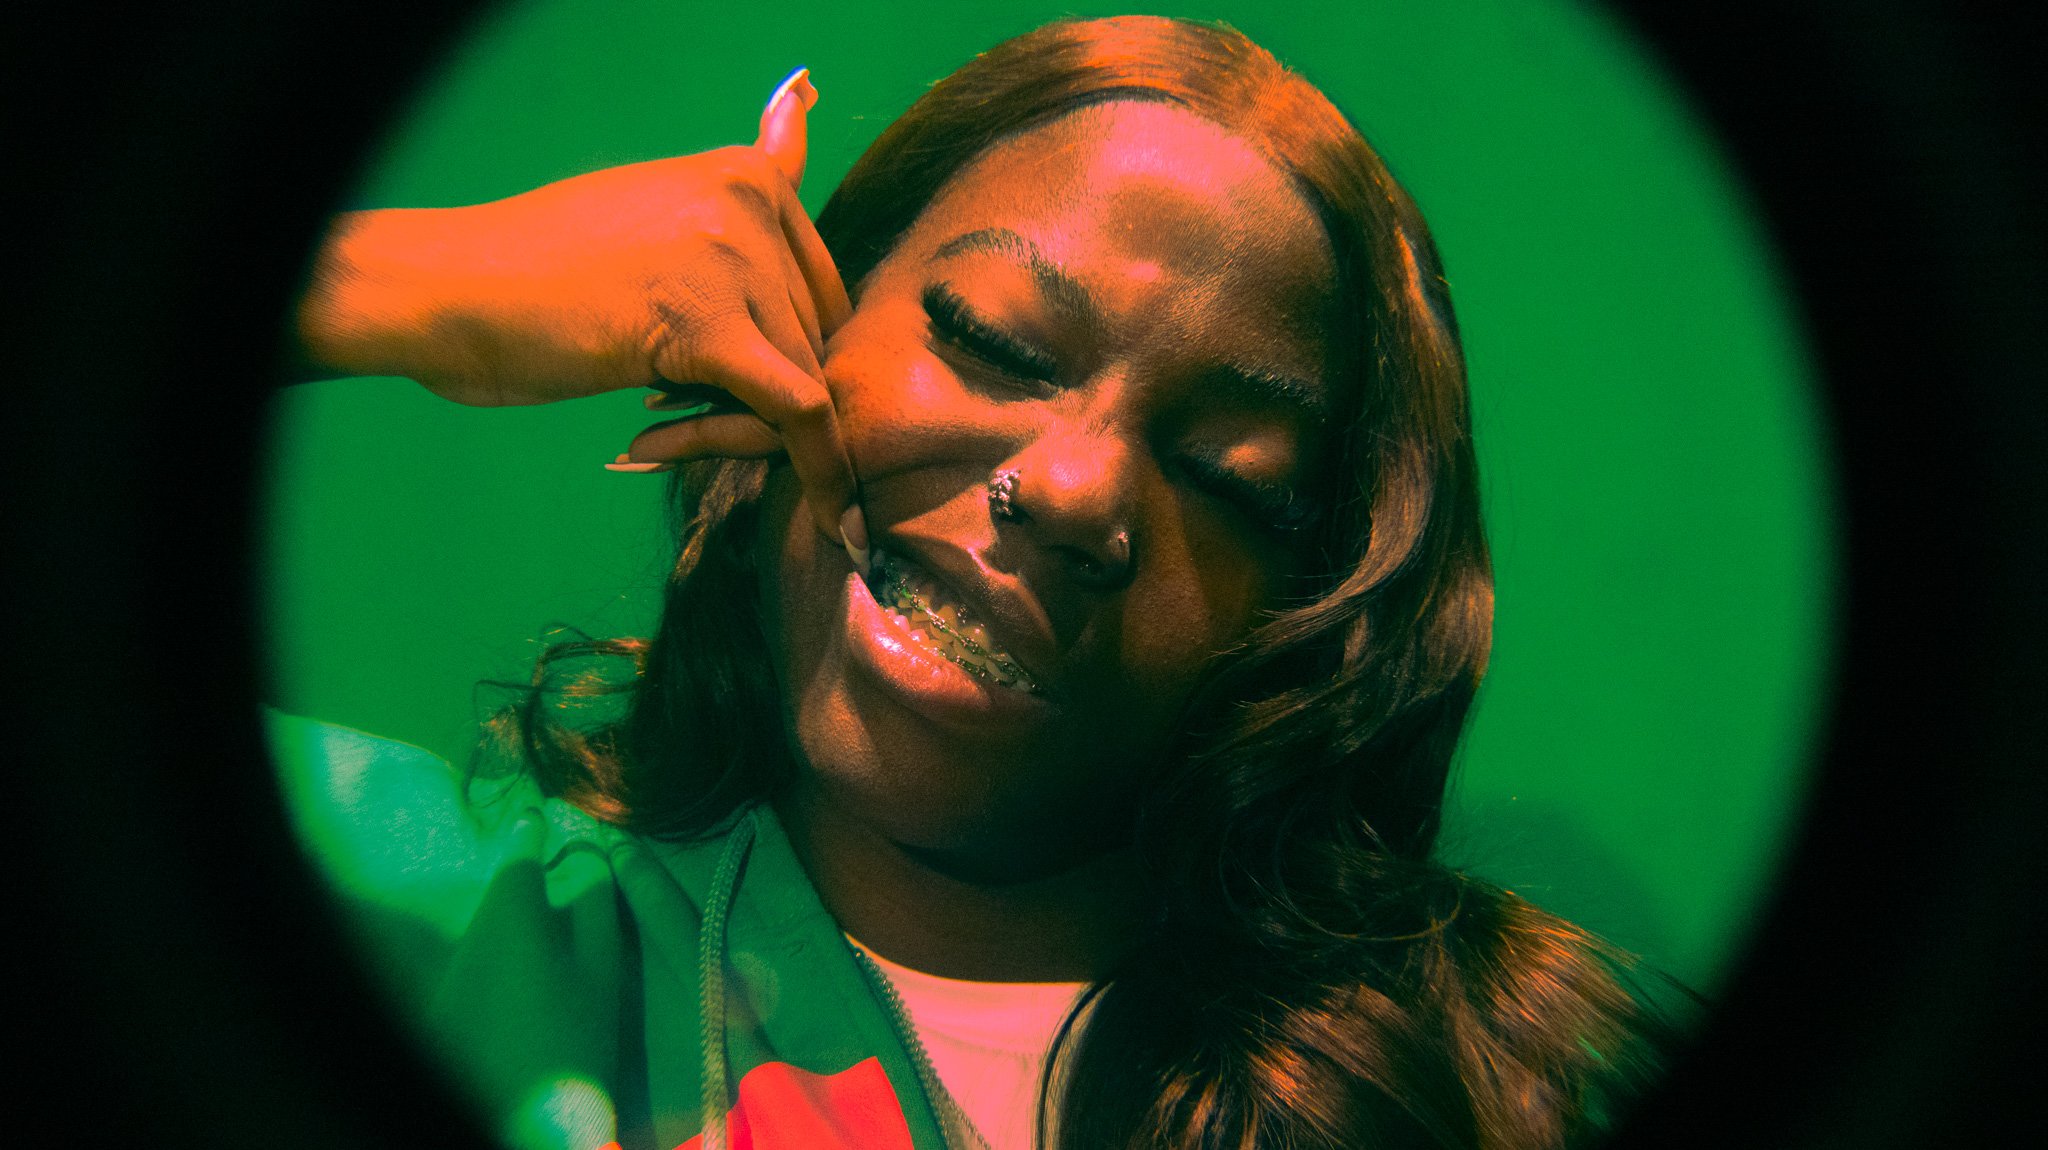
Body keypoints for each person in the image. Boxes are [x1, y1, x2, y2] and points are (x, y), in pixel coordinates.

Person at [278, 15, 1683, 1150]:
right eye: (991, 338)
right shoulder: (443, 934)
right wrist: (383, 281)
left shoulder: (1504, 1089)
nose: (1073, 492)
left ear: (1303, 622)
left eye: (1224, 475)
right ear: (798, 328)